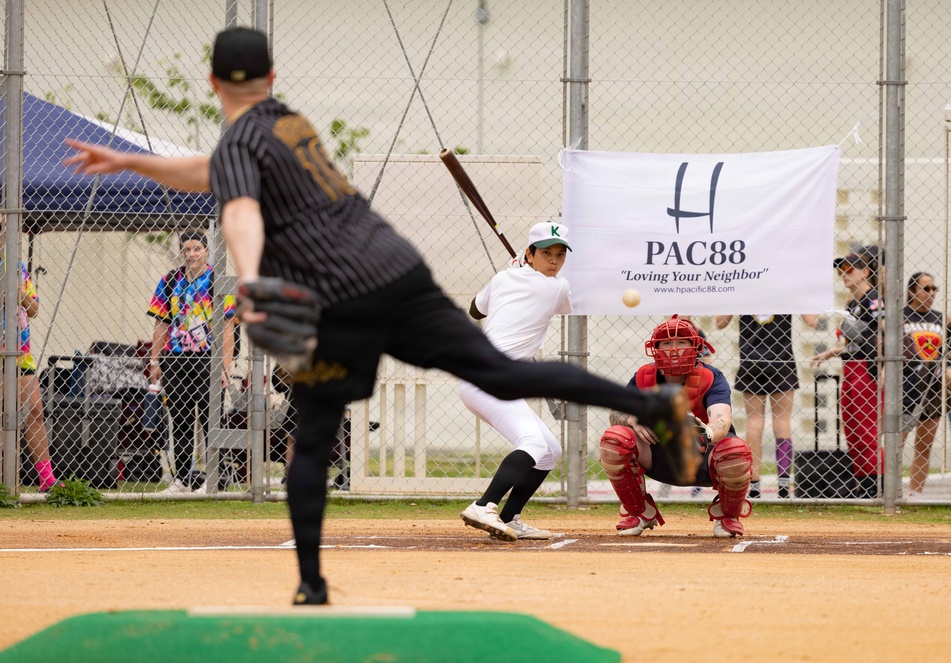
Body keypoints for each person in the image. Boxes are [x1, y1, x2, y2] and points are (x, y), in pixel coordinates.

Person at [64, 27, 692, 605]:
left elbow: (239, 211)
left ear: (212, 84)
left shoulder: (240, 143)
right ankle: (649, 407)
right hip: (400, 271)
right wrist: (132, 162)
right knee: (504, 373)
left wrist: (251, 278)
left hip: (342, 297)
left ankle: (311, 583)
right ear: (272, 80)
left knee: (314, 430)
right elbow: (217, 175)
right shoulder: (291, 125)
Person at [458, 221, 573, 541]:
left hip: (491, 379)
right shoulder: (557, 288)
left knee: (550, 450)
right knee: (534, 444)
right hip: (489, 378)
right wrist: (523, 274)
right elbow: (562, 301)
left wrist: (514, 272)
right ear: (530, 253)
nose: (554, 260)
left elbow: (475, 310)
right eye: (546, 253)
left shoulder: (503, 277)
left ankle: (510, 517)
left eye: (560, 254)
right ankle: (484, 505)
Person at [599, 315, 754, 538]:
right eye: (667, 343)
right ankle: (640, 512)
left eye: (681, 342)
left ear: (695, 347)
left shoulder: (712, 377)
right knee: (615, 438)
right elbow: (616, 412)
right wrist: (635, 419)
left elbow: (722, 418)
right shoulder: (644, 376)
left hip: (704, 457)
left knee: (734, 450)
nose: (674, 349)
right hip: (659, 455)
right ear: (656, 348)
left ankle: (728, 516)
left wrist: (706, 432)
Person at [147, 229, 236, 494]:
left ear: (207, 251)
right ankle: (183, 478)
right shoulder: (169, 281)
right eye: (187, 249)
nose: (192, 254)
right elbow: (161, 323)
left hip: (208, 357)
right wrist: (155, 359)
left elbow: (228, 326)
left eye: (197, 248)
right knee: (181, 418)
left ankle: (214, 477)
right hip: (176, 357)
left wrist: (225, 365)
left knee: (212, 419)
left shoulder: (217, 280)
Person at [716, 313, 818, 499]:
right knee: (782, 421)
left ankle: (754, 486)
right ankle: (784, 487)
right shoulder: (784, 286)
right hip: (781, 359)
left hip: (751, 359)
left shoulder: (744, 284)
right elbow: (812, 321)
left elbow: (720, 322)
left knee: (754, 421)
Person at [810, 251, 883, 498]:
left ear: (865, 272)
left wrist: (882, 368)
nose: (844, 274)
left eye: (850, 269)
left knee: (866, 430)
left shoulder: (875, 301)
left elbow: (884, 337)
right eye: (841, 270)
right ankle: (863, 483)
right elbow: (858, 342)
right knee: (852, 429)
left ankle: (876, 484)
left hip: (867, 369)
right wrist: (831, 352)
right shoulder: (853, 304)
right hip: (851, 367)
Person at [2, 257, 61, 492]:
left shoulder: (15, 264)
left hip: (20, 352)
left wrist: (20, 295)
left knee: (34, 410)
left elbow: (34, 309)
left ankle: (47, 479)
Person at [901, 272, 951, 496]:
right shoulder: (900, 317)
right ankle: (886, 491)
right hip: (905, 384)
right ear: (912, 291)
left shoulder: (942, 320)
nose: (931, 293)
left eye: (934, 289)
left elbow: (948, 354)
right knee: (895, 443)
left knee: (924, 445)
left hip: (933, 386)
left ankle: (915, 494)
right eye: (925, 288)